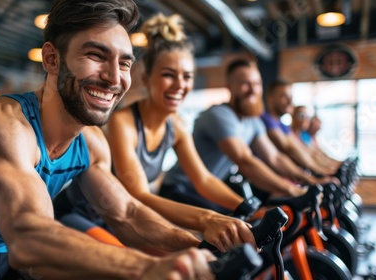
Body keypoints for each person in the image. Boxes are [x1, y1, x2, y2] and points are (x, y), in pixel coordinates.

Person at [0, 1, 218, 279]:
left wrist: (204, 240)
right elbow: (28, 235)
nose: (114, 78)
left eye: (124, 63)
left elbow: (127, 214)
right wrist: (147, 268)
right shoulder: (3, 124)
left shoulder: (92, 144)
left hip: (4, 256)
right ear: (52, 59)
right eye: (96, 55)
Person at [54, 13, 256, 254]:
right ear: (147, 79)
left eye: (187, 76)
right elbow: (138, 194)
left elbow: (203, 179)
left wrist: (248, 207)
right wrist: (209, 218)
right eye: (169, 75)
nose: (180, 85)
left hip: (128, 221)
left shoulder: (176, 126)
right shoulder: (124, 122)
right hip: (80, 217)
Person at [160, 58, 325, 209]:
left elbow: (274, 158)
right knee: (238, 227)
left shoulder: (252, 121)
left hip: (207, 190)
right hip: (179, 191)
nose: (253, 90)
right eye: (245, 83)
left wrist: (310, 182)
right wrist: (292, 191)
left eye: (257, 83)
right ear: (230, 86)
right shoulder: (219, 115)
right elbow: (245, 161)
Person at [262, 80, 341, 176]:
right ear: (270, 98)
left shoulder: (282, 125)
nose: (290, 102)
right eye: (284, 97)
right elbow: (289, 148)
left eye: (291, 97)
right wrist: (320, 172)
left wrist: (328, 167)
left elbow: (303, 149)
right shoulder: (266, 120)